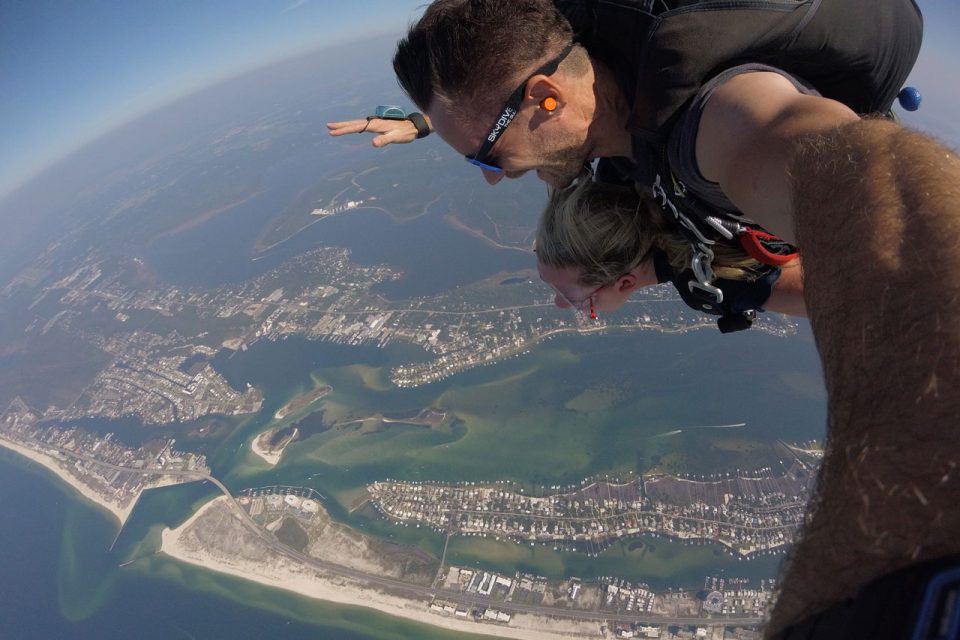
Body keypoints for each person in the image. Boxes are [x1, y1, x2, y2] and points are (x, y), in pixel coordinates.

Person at [331, 2, 960, 637]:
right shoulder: (592, 93)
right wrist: (432, 124)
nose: (494, 180)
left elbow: (874, 189)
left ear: (545, 98)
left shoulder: (712, 124)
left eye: (484, 159)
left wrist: (901, 585)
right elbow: (506, 111)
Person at [534, 175, 807, 320]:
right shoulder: (627, 163)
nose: (558, 303)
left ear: (625, 283)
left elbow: (839, 294)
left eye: (577, 300)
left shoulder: (716, 281)